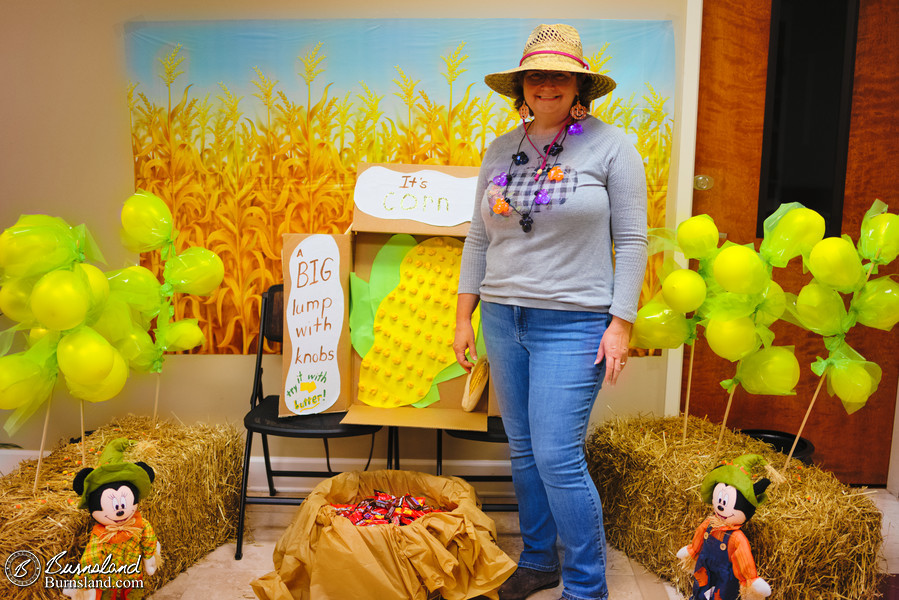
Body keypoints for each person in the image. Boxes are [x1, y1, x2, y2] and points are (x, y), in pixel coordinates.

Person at [453, 23, 648, 600]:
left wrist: (620, 324)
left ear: (578, 83)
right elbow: (477, 239)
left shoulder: (614, 147)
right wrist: (465, 316)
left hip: (575, 321)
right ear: (521, 86)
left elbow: (633, 242)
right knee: (523, 447)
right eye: (537, 74)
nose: (547, 84)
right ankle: (538, 559)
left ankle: (587, 586)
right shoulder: (499, 150)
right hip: (503, 319)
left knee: (558, 455)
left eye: (560, 74)